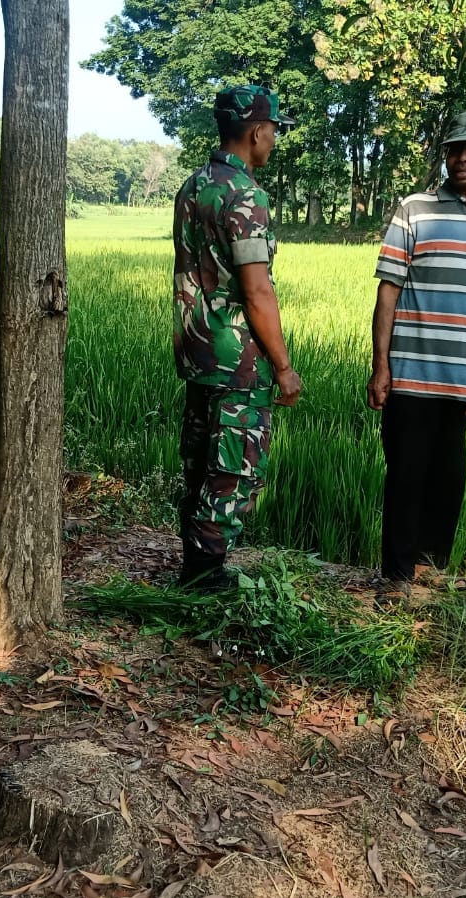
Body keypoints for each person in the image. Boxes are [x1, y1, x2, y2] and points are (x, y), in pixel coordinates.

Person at [366, 110, 466, 595]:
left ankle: (430, 571)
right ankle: (396, 578)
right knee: (406, 475)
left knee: (449, 479)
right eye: (455, 149)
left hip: (464, 379)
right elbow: (388, 289)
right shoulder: (415, 209)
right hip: (410, 371)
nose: (463, 158)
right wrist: (380, 365)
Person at [172, 84, 303, 592]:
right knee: (234, 465)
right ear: (255, 132)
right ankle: (205, 576)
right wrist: (284, 367)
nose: (274, 139)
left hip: (197, 349)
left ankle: (193, 564)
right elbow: (257, 290)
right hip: (237, 357)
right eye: (273, 130)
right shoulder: (246, 195)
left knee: (201, 459)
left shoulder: (193, 185)